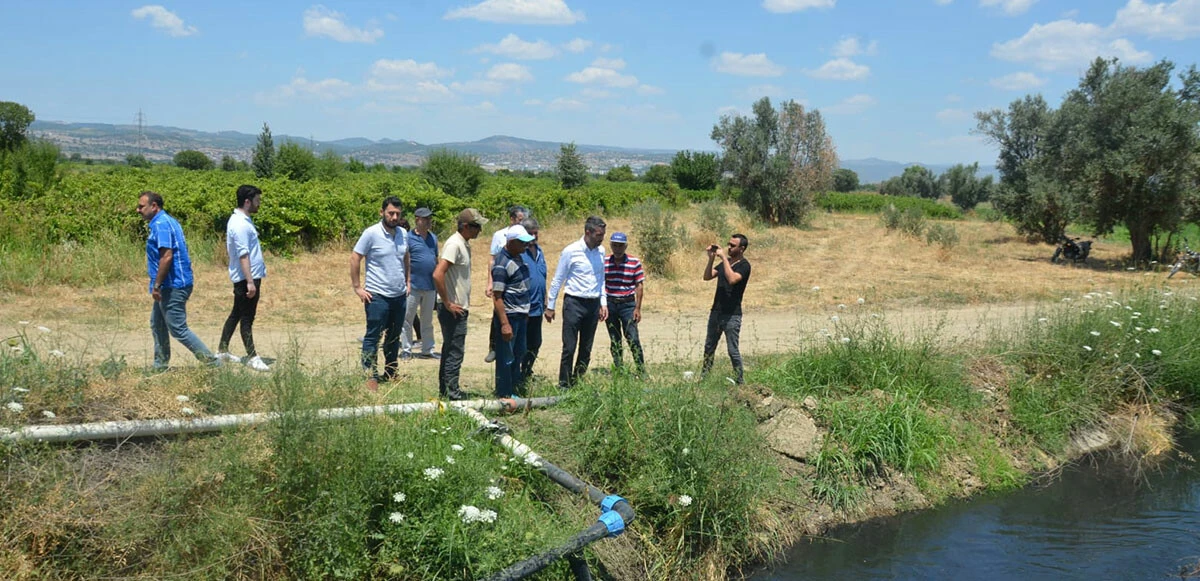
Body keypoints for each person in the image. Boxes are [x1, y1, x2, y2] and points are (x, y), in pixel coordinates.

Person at [136, 190, 216, 369]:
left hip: (172, 285)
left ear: (154, 206)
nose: (138, 210)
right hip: (170, 284)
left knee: (178, 329)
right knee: (157, 324)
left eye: (141, 206)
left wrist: (156, 285)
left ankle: (212, 363)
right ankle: (160, 365)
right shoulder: (167, 221)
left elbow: (166, 257)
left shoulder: (162, 225)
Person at [350, 196, 411, 391]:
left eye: (397, 214)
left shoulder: (403, 233)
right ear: (382, 212)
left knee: (394, 337)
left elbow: (406, 257)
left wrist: (408, 281)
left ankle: (391, 371)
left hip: (399, 295)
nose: (394, 217)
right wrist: (358, 287)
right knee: (373, 336)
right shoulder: (371, 233)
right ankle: (370, 374)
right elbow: (355, 257)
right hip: (377, 295)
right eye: (390, 213)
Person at [545, 216, 608, 389]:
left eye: (603, 234)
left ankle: (577, 381)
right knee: (569, 347)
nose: (601, 238)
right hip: (574, 303)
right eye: (598, 234)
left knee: (586, 348)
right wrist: (550, 305)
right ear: (587, 232)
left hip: (593, 304)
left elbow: (601, 279)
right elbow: (558, 279)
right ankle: (564, 384)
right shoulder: (571, 251)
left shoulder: (601, 252)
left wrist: (603, 303)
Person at [433, 208, 488, 400]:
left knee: (451, 349)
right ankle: (452, 393)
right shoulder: (454, 244)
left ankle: (447, 390)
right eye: (476, 226)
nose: (479, 230)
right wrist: (447, 302)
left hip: (457, 306)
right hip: (453, 308)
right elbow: (438, 274)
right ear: (465, 226)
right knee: (455, 351)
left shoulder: (463, 243)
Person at [214, 185, 270, 372]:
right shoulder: (239, 224)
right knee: (247, 318)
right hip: (247, 278)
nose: (259, 204)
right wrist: (250, 282)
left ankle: (222, 350)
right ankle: (252, 356)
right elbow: (243, 255)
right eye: (257, 201)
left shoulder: (244, 220)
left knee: (236, 313)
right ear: (247, 201)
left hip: (249, 277)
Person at [701, 234, 752, 385]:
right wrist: (711, 258)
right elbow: (707, 276)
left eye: (733, 246)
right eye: (728, 244)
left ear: (741, 249)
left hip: (732, 314)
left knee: (732, 350)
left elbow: (732, 279)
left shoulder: (744, 265)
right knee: (709, 348)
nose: (729, 248)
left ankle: (740, 381)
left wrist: (723, 258)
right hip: (716, 311)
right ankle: (704, 379)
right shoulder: (727, 263)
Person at [491, 225, 535, 398]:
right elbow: (497, 296)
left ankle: (515, 388)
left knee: (518, 353)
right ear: (511, 242)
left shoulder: (518, 257)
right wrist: (504, 324)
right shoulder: (502, 264)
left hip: (521, 314)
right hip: (509, 316)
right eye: (521, 243)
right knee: (505, 357)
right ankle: (504, 394)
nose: (525, 246)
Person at [485, 206, 530, 363]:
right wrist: (489, 282)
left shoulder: (521, 244)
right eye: (519, 219)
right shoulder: (500, 236)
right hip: (501, 279)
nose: (521, 222)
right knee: (499, 313)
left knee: (517, 352)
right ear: (511, 219)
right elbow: (492, 259)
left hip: (518, 299)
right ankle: (493, 347)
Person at [604, 231, 646, 376]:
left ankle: (641, 371)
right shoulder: (604, 262)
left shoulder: (634, 262)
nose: (617, 248)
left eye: (620, 246)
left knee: (633, 338)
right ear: (610, 245)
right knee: (614, 339)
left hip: (628, 305)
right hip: (610, 304)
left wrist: (638, 308)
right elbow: (600, 284)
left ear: (625, 246)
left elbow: (639, 285)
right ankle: (619, 370)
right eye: (614, 245)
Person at [402, 207, 439, 360]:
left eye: (430, 218)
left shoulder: (433, 238)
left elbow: (436, 260)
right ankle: (406, 349)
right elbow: (405, 260)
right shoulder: (408, 238)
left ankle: (427, 349)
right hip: (414, 285)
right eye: (426, 219)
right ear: (417, 220)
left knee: (427, 319)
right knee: (407, 318)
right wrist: (407, 281)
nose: (429, 221)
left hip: (430, 285)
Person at [519, 217, 547, 388]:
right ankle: (518, 375)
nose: (534, 237)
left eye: (536, 233)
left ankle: (527, 370)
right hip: (524, 307)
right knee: (522, 343)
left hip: (538, 306)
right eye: (531, 233)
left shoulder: (540, 252)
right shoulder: (520, 253)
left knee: (536, 342)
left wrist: (546, 301)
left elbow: (543, 276)